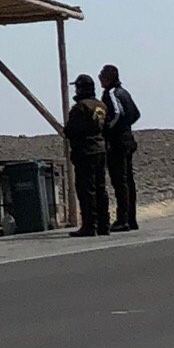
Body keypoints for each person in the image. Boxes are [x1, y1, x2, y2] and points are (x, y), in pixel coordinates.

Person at [66, 74, 111, 237]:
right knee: (100, 188)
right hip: (100, 149)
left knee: (86, 190)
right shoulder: (101, 106)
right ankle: (104, 224)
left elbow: (71, 130)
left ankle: (90, 225)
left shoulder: (80, 107)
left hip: (85, 152)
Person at [99, 65, 140, 231]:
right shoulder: (125, 93)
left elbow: (117, 113)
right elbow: (135, 114)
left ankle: (123, 219)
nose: (100, 77)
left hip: (117, 143)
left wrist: (109, 128)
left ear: (109, 77)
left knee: (120, 181)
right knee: (128, 181)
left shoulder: (112, 93)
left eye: (102, 75)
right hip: (127, 140)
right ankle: (131, 219)